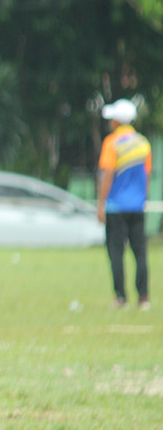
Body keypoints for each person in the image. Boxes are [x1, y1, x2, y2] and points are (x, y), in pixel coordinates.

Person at [97, 98, 152, 310]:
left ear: (118, 122)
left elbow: (107, 175)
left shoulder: (112, 143)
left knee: (116, 253)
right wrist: (142, 199)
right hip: (137, 207)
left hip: (116, 207)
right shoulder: (143, 144)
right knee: (140, 252)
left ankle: (121, 298)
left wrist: (101, 205)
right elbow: (146, 177)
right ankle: (144, 296)